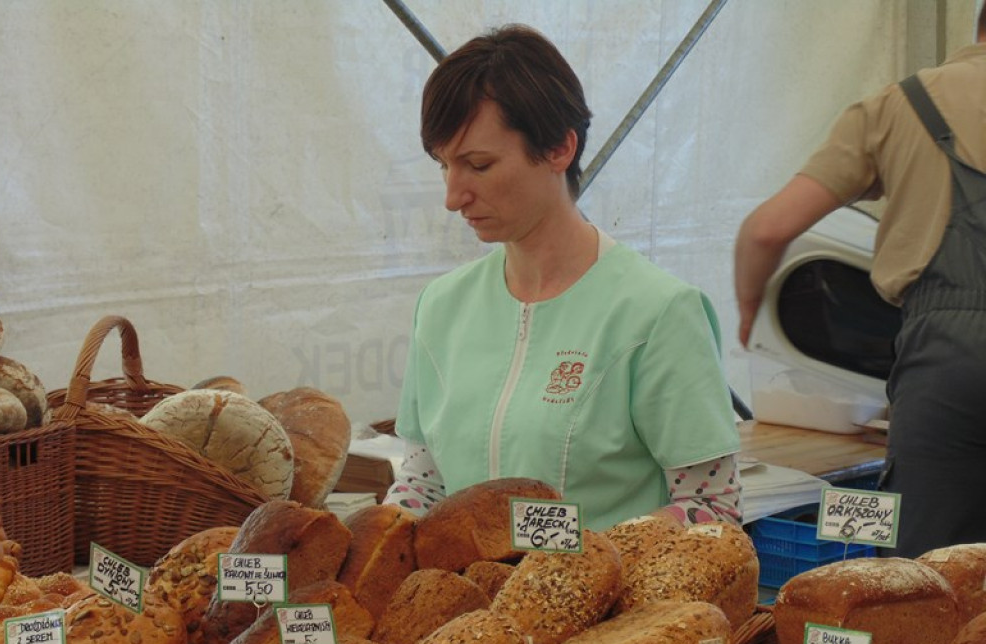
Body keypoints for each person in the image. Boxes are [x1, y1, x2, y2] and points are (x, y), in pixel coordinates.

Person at [383, 24, 741, 531]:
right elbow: (423, 484)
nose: (453, 195)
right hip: (468, 608)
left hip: (610, 608)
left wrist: (589, 563)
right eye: (444, 165)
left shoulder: (659, 312)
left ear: (558, 149)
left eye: (478, 165)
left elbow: (713, 510)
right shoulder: (441, 306)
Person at [734, 5, 986, 557]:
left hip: (947, 364)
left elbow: (766, 230)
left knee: (926, 586)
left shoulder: (903, 106)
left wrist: (753, 311)